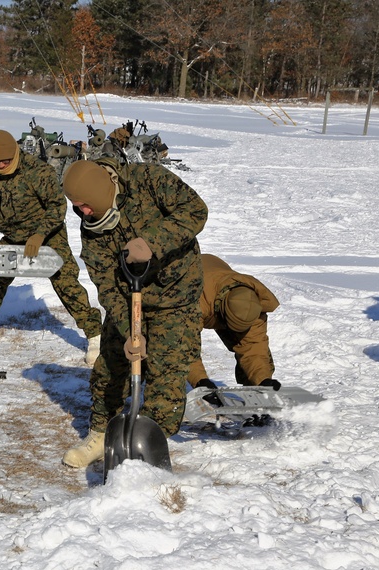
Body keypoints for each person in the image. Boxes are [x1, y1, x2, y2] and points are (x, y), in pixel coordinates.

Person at [59, 157, 208, 468]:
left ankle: (150, 444)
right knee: (109, 368)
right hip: (129, 300)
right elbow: (106, 285)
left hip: (175, 296)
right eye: (76, 206)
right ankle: (101, 434)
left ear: (101, 192)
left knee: (166, 377)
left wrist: (152, 242)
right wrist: (130, 332)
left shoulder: (149, 179)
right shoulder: (92, 230)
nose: (82, 212)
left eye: (86, 204)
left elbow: (196, 210)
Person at [0, 130, 103, 365]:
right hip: (12, 236)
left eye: (6, 160)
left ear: (15, 153)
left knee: (66, 283)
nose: (1, 165)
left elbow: (57, 206)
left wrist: (40, 234)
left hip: (48, 236)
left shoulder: (37, 171)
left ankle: (96, 336)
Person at [187, 253, 281, 391]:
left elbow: (253, 346)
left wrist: (263, 380)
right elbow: (184, 345)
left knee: (258, 355)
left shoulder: (253, 305)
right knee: (165, 348)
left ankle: (254, 394)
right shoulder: (195, 301)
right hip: (190, 280)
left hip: (217, 283)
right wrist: (201, 381)